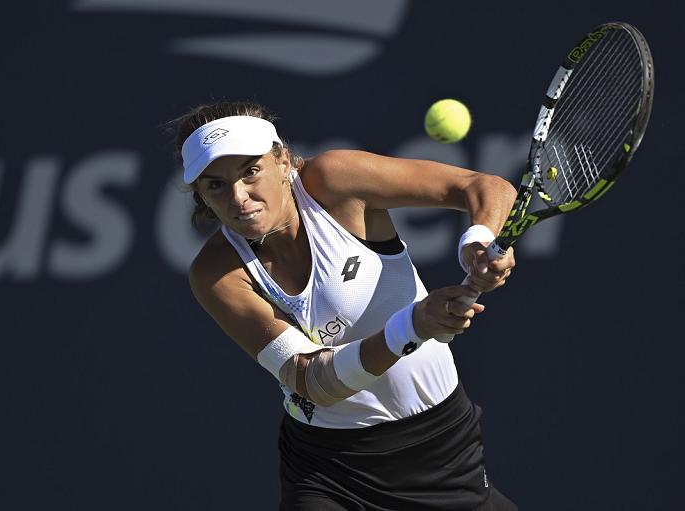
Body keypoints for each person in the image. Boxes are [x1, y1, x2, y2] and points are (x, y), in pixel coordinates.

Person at [175, 101, 518, 510]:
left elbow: (484, 186)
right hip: (331, 471)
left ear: (283, 161)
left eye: (251, 171)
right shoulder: (217, 273)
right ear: (201, 196)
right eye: (215, 185)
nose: (239, 197)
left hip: (442, 447)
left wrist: (477, 240)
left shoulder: (335, 179)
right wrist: (413, 325)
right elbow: (315, 383)